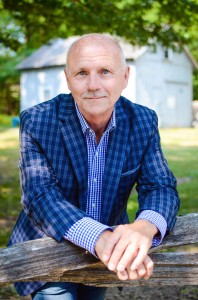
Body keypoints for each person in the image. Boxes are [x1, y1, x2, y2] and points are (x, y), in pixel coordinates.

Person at [8, 33, 180, 300]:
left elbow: (160, 185)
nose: (93, 84)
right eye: (82, 73)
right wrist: (100, 238)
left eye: (105, 71)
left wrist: (143, 228)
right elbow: (40, 196)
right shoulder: (38, 121)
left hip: (108, 256)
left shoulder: (143, 121)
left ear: (125, 77)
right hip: (50, 249)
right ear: (67, 79)